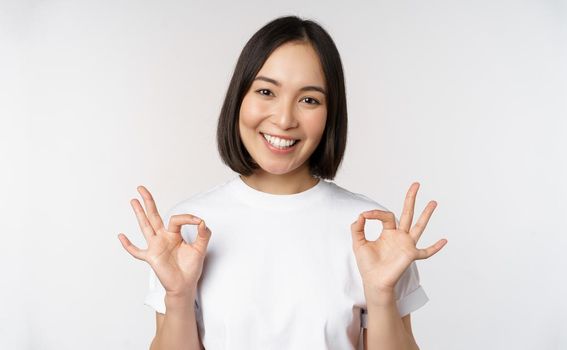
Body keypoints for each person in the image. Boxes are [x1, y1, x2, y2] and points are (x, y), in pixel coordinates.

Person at [117, 15, 448, 350]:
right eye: (265, 91)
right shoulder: (186, 229)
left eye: (309, 99)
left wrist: (381, 297)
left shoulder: (374, 232)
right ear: (239, 99)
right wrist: (177, 296)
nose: (285, 118)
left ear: (330, 115)